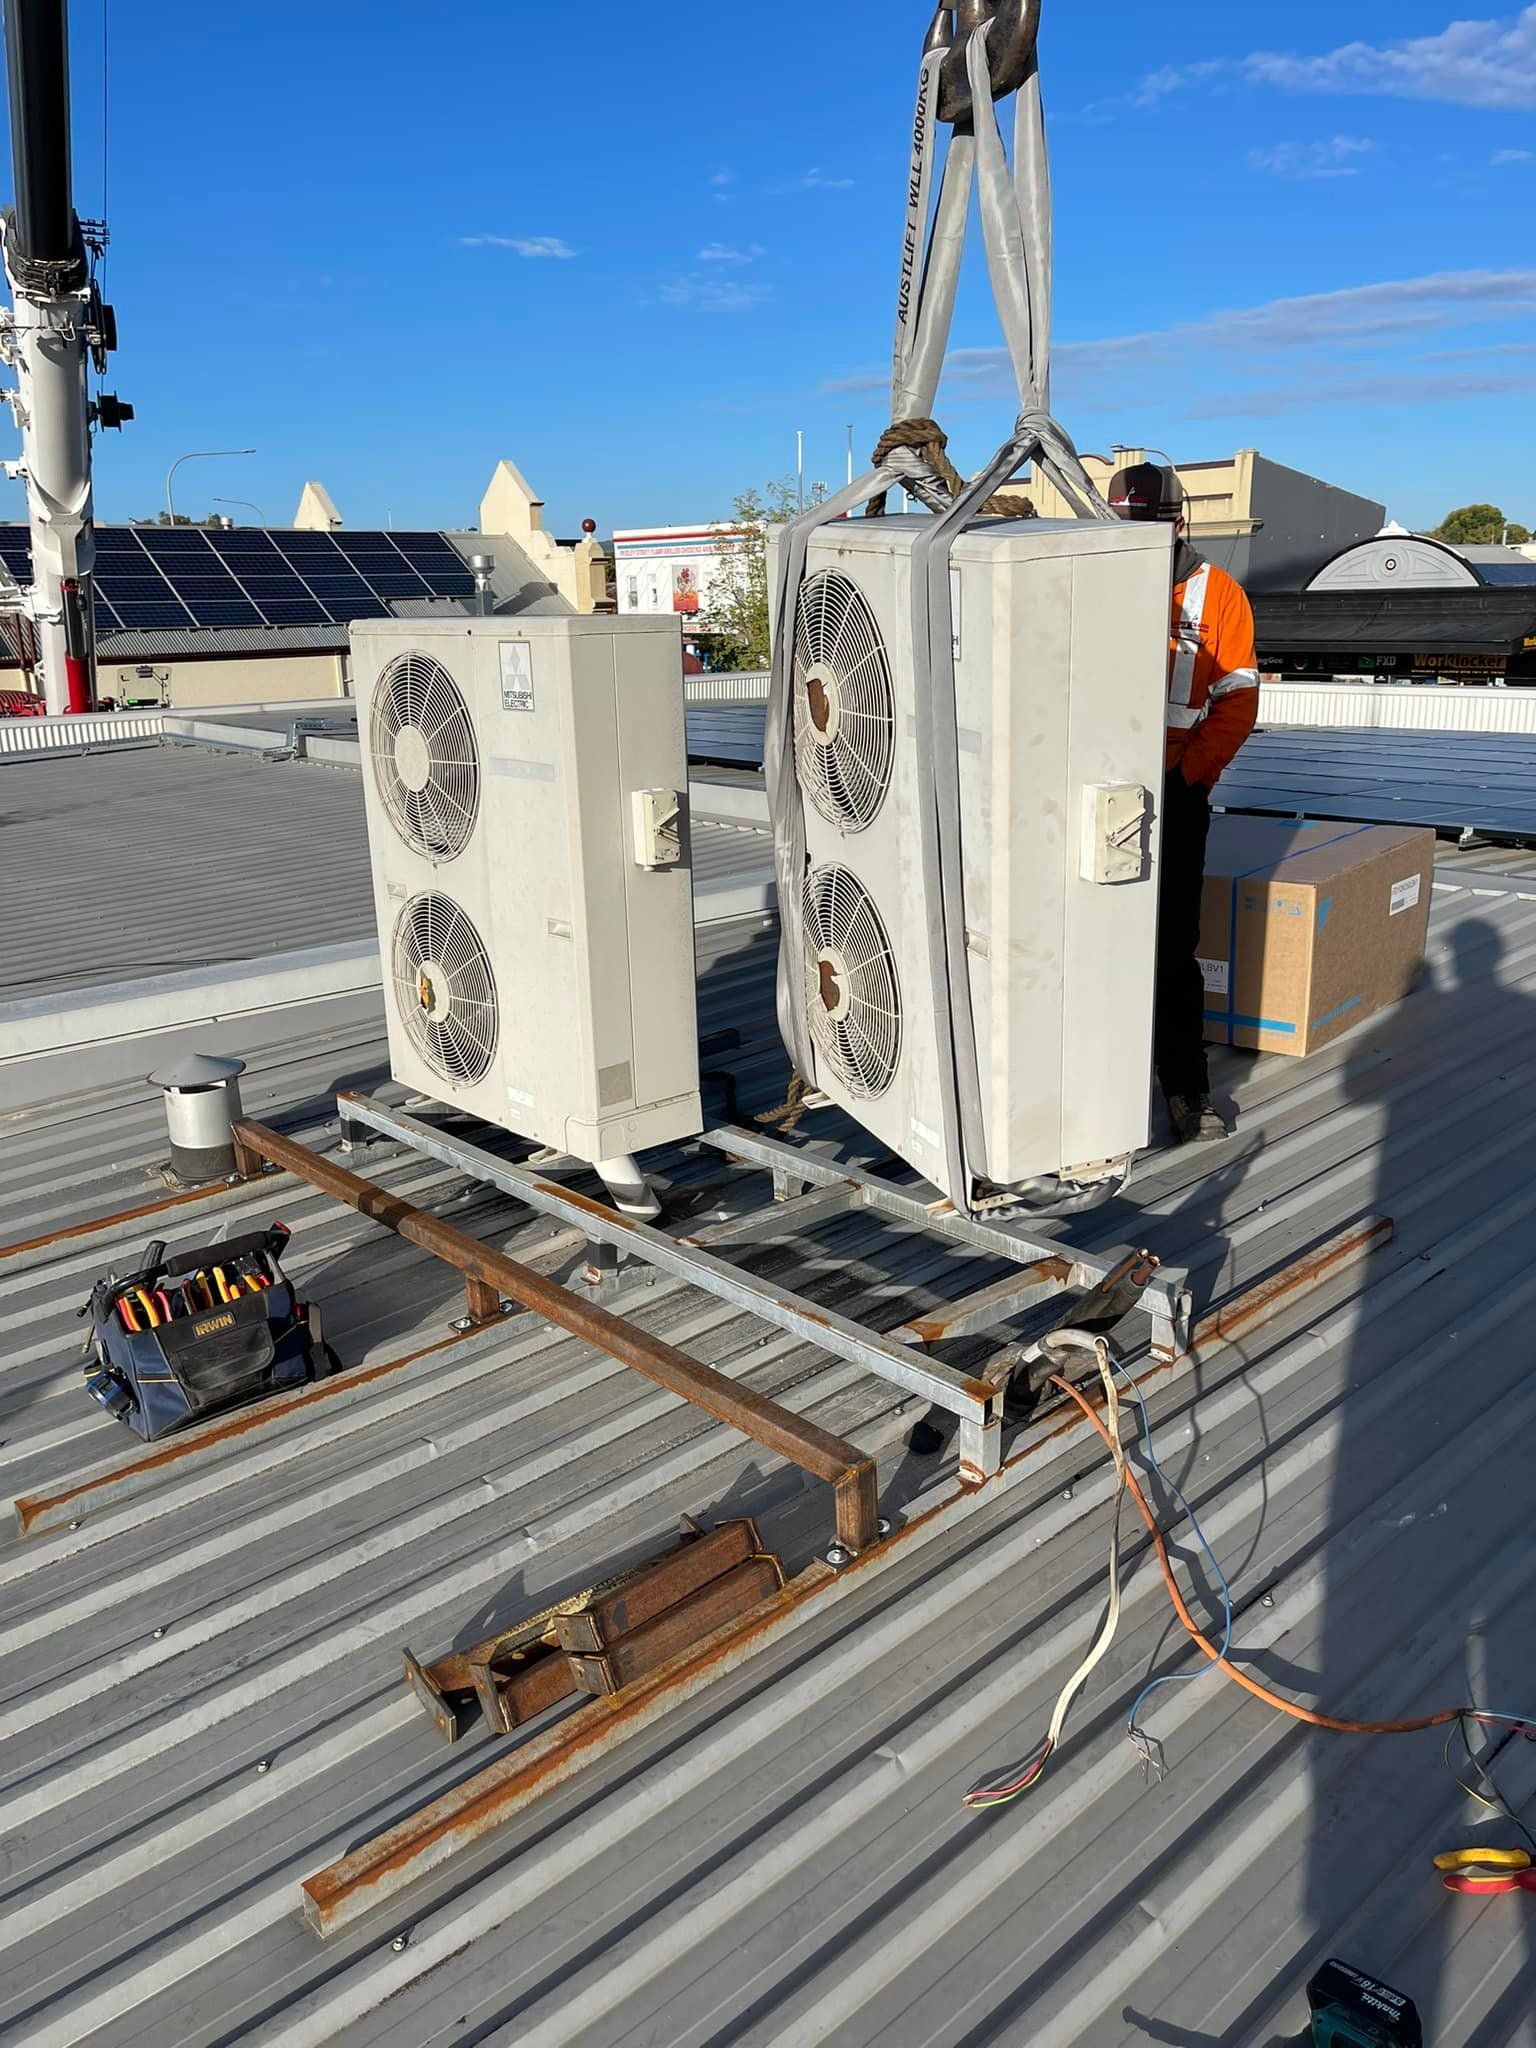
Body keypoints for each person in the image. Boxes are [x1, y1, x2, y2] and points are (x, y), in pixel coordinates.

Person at [1109, 460, 1259, 1144]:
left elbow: (1237, 698)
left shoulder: (1216, 594)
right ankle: (1093, 1081)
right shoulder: (1086, 577)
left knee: (1171, 946)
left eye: (1145, 528)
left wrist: (1191, 777)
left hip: (1173, 788)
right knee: (1084, 940)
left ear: (1176, 522)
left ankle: (1185, 1090)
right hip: (1089, 790)